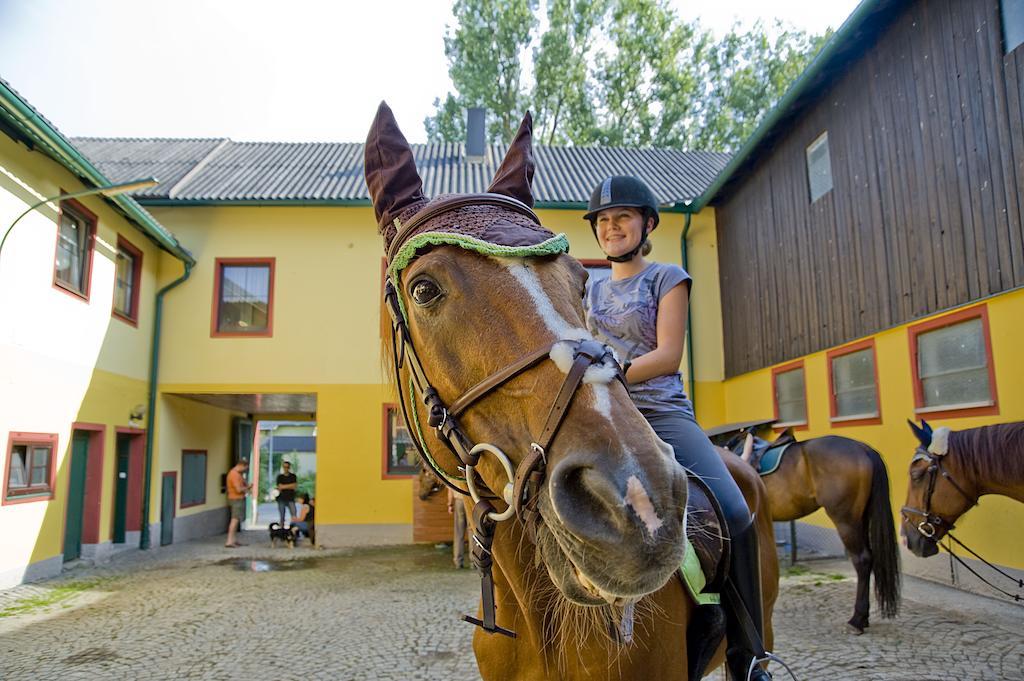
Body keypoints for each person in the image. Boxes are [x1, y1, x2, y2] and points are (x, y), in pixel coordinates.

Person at [582, 176, 773, 681]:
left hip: (662, 414)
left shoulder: (668, 277)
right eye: (603, 220)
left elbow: (666, 355)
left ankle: (747, 652)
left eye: (621, 217)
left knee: (734, 510)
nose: (611, 227)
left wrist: (608, 369)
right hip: (605, 416)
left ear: (646, 224)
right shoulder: (588, 287)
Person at [225, 458, 252, 548]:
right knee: (235, 519)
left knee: (236, 520)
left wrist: (247, 486)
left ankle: (233, 540)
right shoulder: (234, 475)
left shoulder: (237, 474)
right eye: (245, 468)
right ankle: (229, 541)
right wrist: (247, 489)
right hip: (236, 499)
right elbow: (238, 489)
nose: (245, 470)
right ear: (242, 465)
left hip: (237, 498)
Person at [447, 487, 468, 569]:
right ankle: (474, 561)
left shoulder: (454, 475)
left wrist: (450, 504)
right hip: (469, 500)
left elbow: (450, 490)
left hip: (459, 501)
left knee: (459, 532)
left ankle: (458, 561)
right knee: (472, 531)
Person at [276, 460, 298, 525]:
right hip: (281, 498)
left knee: (294, 515)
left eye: (287, 467)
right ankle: (281, 530)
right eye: (284, 467)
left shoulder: (293, 476)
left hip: (291, 498)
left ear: (289, 467)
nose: (285, 468)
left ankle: (294, 529)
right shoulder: (280, 477)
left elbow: (294, 486)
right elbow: (280, 487)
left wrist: (284, 486)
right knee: (282, 516)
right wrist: (290, 486)